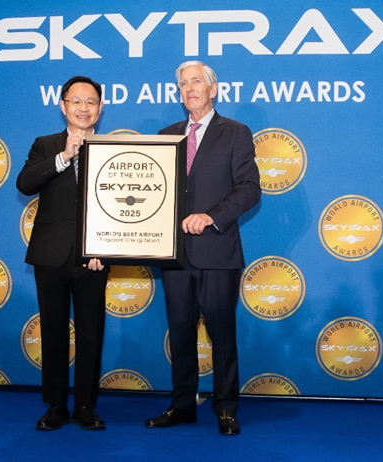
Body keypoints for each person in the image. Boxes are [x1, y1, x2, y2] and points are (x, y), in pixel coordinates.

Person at [145, 61, 261, 436]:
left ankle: (226, 407)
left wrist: (211, 216)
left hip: (217, 250)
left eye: (196, 81)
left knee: (221, 333)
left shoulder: (236, 132)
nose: (189, 88)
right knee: (180, 332)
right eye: (183, 83)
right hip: (174, 253)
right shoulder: (166, 136)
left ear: (213, 89)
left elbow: (249, 189)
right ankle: (182, 405)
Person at [17, 75, 108, 431]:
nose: (84, 108)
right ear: (63, 106)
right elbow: (25, 183)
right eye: (76, 101)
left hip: (94, 258)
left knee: (90, 333)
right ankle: (55, 405)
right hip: (50, 255)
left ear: (100, 108)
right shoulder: (45, 145)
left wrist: (104, 248)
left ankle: (85, 405)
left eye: (91, 102)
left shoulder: (114, 150)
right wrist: (64, 156)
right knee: (53, 331)